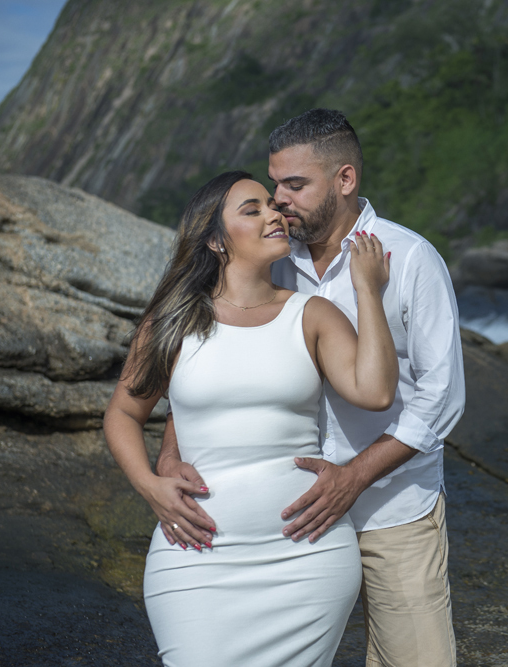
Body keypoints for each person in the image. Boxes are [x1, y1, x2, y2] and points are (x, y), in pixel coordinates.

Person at [156, 109, 466, 666]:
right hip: (286, 520)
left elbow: (441, 398)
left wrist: (354, 476)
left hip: (390, 509)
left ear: (344, 180)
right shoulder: (271, 257)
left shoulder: (411, 259)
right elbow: (217, 360)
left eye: (295, 185)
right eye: (275, 184)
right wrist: (172, 451)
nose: (280, 201)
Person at [103, 169, 399, 666]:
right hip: (197, 558)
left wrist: (368, 290)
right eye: (253, 209)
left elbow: (376, 391)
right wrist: (149, 484)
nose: (274, 214)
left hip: (308, 557)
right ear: (216, 240)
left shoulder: (313, 314)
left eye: (272, 204)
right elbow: (123, 414)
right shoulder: (171, 322)